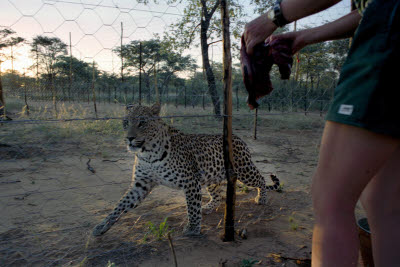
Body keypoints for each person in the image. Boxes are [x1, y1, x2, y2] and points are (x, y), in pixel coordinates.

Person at [243, 0, 400, 266]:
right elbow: (365, 10)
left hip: (389, 32)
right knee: (384, 203)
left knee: (330, 199)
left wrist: (273, 16)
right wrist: (306, 35)